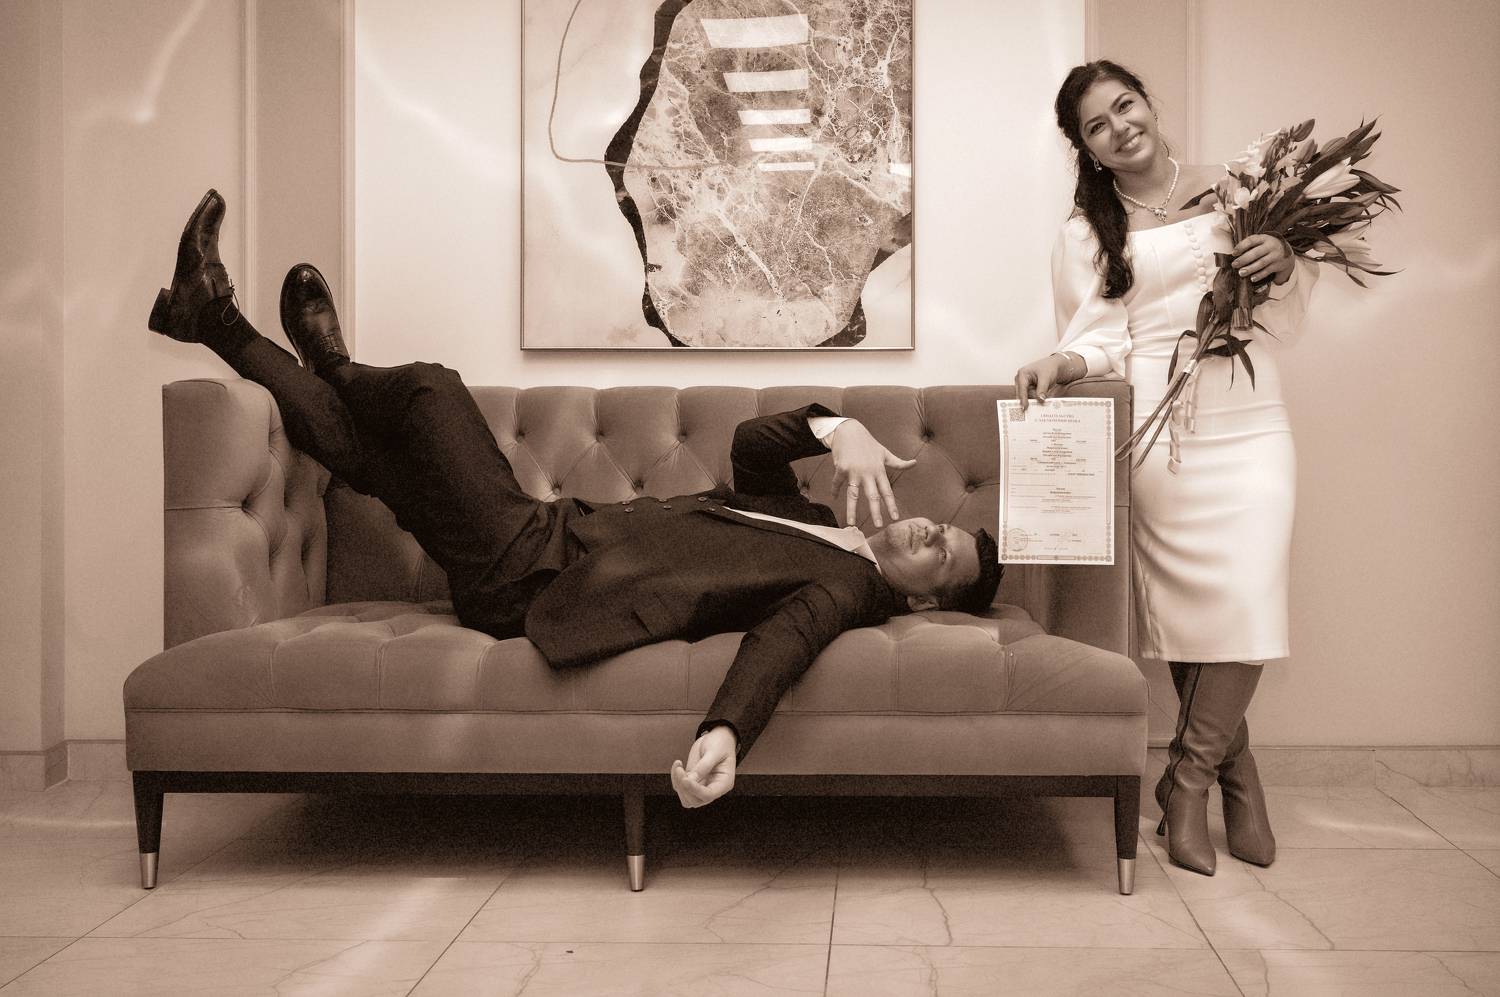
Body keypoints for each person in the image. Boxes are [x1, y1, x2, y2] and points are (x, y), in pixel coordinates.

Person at [149, 190, 1002, 811]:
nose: (928, 529)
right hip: (549, 534)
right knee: (364, 456)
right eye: (943, 526)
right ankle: (211, 318)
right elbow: (750, 446)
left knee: (431, 391)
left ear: (923, 599)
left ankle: (335, 366)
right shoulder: (818, 524)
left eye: (940, 553)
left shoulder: (847, 589)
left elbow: (783, 643)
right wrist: (835, 426)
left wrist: (726, 733)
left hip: (535, 577)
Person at [1012, 62, 1318, 876]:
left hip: (1250, 414)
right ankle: (1237, 781)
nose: (1120, 127)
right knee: (1190, 610)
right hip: (1161, 425)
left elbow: (1285, 305)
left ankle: (1186, 783)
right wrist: (1058, 361)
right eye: (1097, 125)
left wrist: (1285, 260)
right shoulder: (1086, 231)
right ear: (1087, 149)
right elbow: (1099, 337)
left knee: (1246, 594)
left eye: (1125, 105)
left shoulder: (1238, 190)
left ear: (1148, 103)